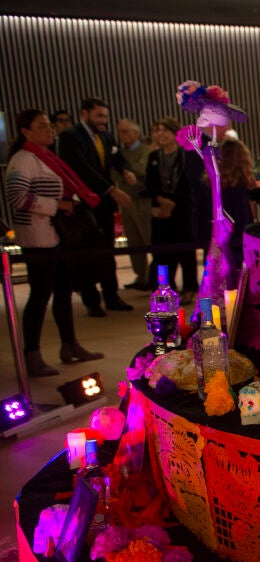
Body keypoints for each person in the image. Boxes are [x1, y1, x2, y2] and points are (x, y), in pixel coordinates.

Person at [4, 109, 104, 376]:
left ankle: (69, 345)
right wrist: (57, 205)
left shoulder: (46, 157)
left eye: (48, 125)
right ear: (26, 131)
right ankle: (32, 354)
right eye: (41, 126)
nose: (48, 130)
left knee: (63, 290)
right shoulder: (23, 159)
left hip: (57, 235)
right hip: (38, 237)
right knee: (40, 294)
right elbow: (17, 197)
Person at [57, 97, 137, 315]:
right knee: (87, 253)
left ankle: (111, 296)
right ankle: (91, 300)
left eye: (105, 116)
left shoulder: (106, 136)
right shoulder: (70, 137)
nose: (103, 120)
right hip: (82, 204)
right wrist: (111, 190)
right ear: (84, 114)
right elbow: (81, 169)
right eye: (99, 116)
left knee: (107, 250)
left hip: (104, 205)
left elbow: (117, 158)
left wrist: (125, 170)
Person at [146, 117, 198, 304]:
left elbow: (190, 183)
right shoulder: (153, 157)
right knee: (161, 253)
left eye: (165, 130)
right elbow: (150, 183)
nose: (161, 134)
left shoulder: (186, 155)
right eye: (158, 130)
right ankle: (165, 288)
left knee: (186, 252)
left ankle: (190, 288)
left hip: (182, 209)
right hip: (160, 210)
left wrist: (172, 203)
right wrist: (160, 200)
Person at [116, 118, 152, 290]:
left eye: (125, 131)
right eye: (120, 132)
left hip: (142, 201)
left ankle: (155, 276)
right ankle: (141, 276)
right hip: (125, 202)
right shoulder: (118, 153)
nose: (122, 135)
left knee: (148, 238)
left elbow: (141, 172)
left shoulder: (146, 152)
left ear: (136, 133)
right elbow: (114, 174)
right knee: (133, 241)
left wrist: (124, 170)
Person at [218, 138, 255, 285]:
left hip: (222, 235)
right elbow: (242, 215)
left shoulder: (216, 183)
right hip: (239, 237)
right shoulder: (239, 186)